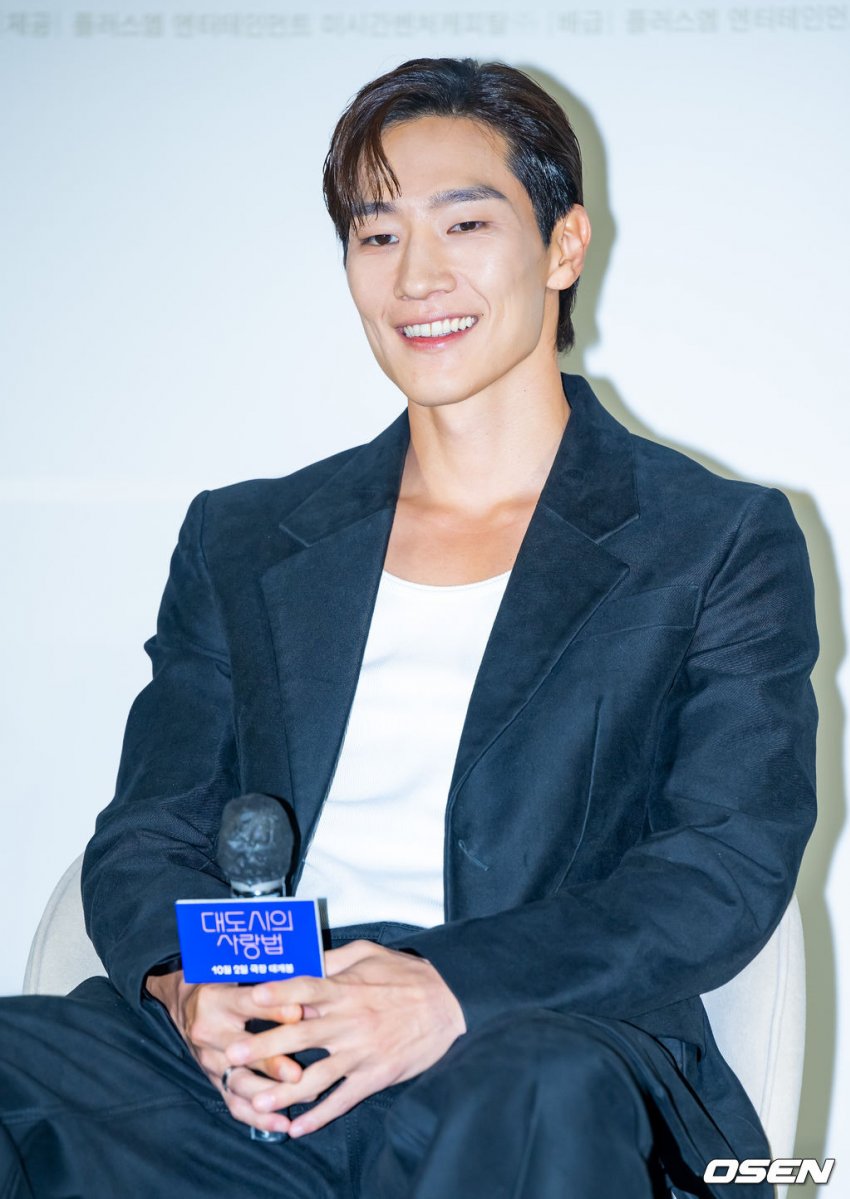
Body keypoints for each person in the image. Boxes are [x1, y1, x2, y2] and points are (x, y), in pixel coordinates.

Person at [0, 56, 818, 1199]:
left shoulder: (713, 538)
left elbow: (719, 866)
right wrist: (189, 985)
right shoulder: (245, 536)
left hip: (522, 1036)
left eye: (465, 223)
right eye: (376, 235)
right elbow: (149, 827)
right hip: (251, 1051)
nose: (417, 275)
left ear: (564, 245)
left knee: (538, 1091)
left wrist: (443, 990)